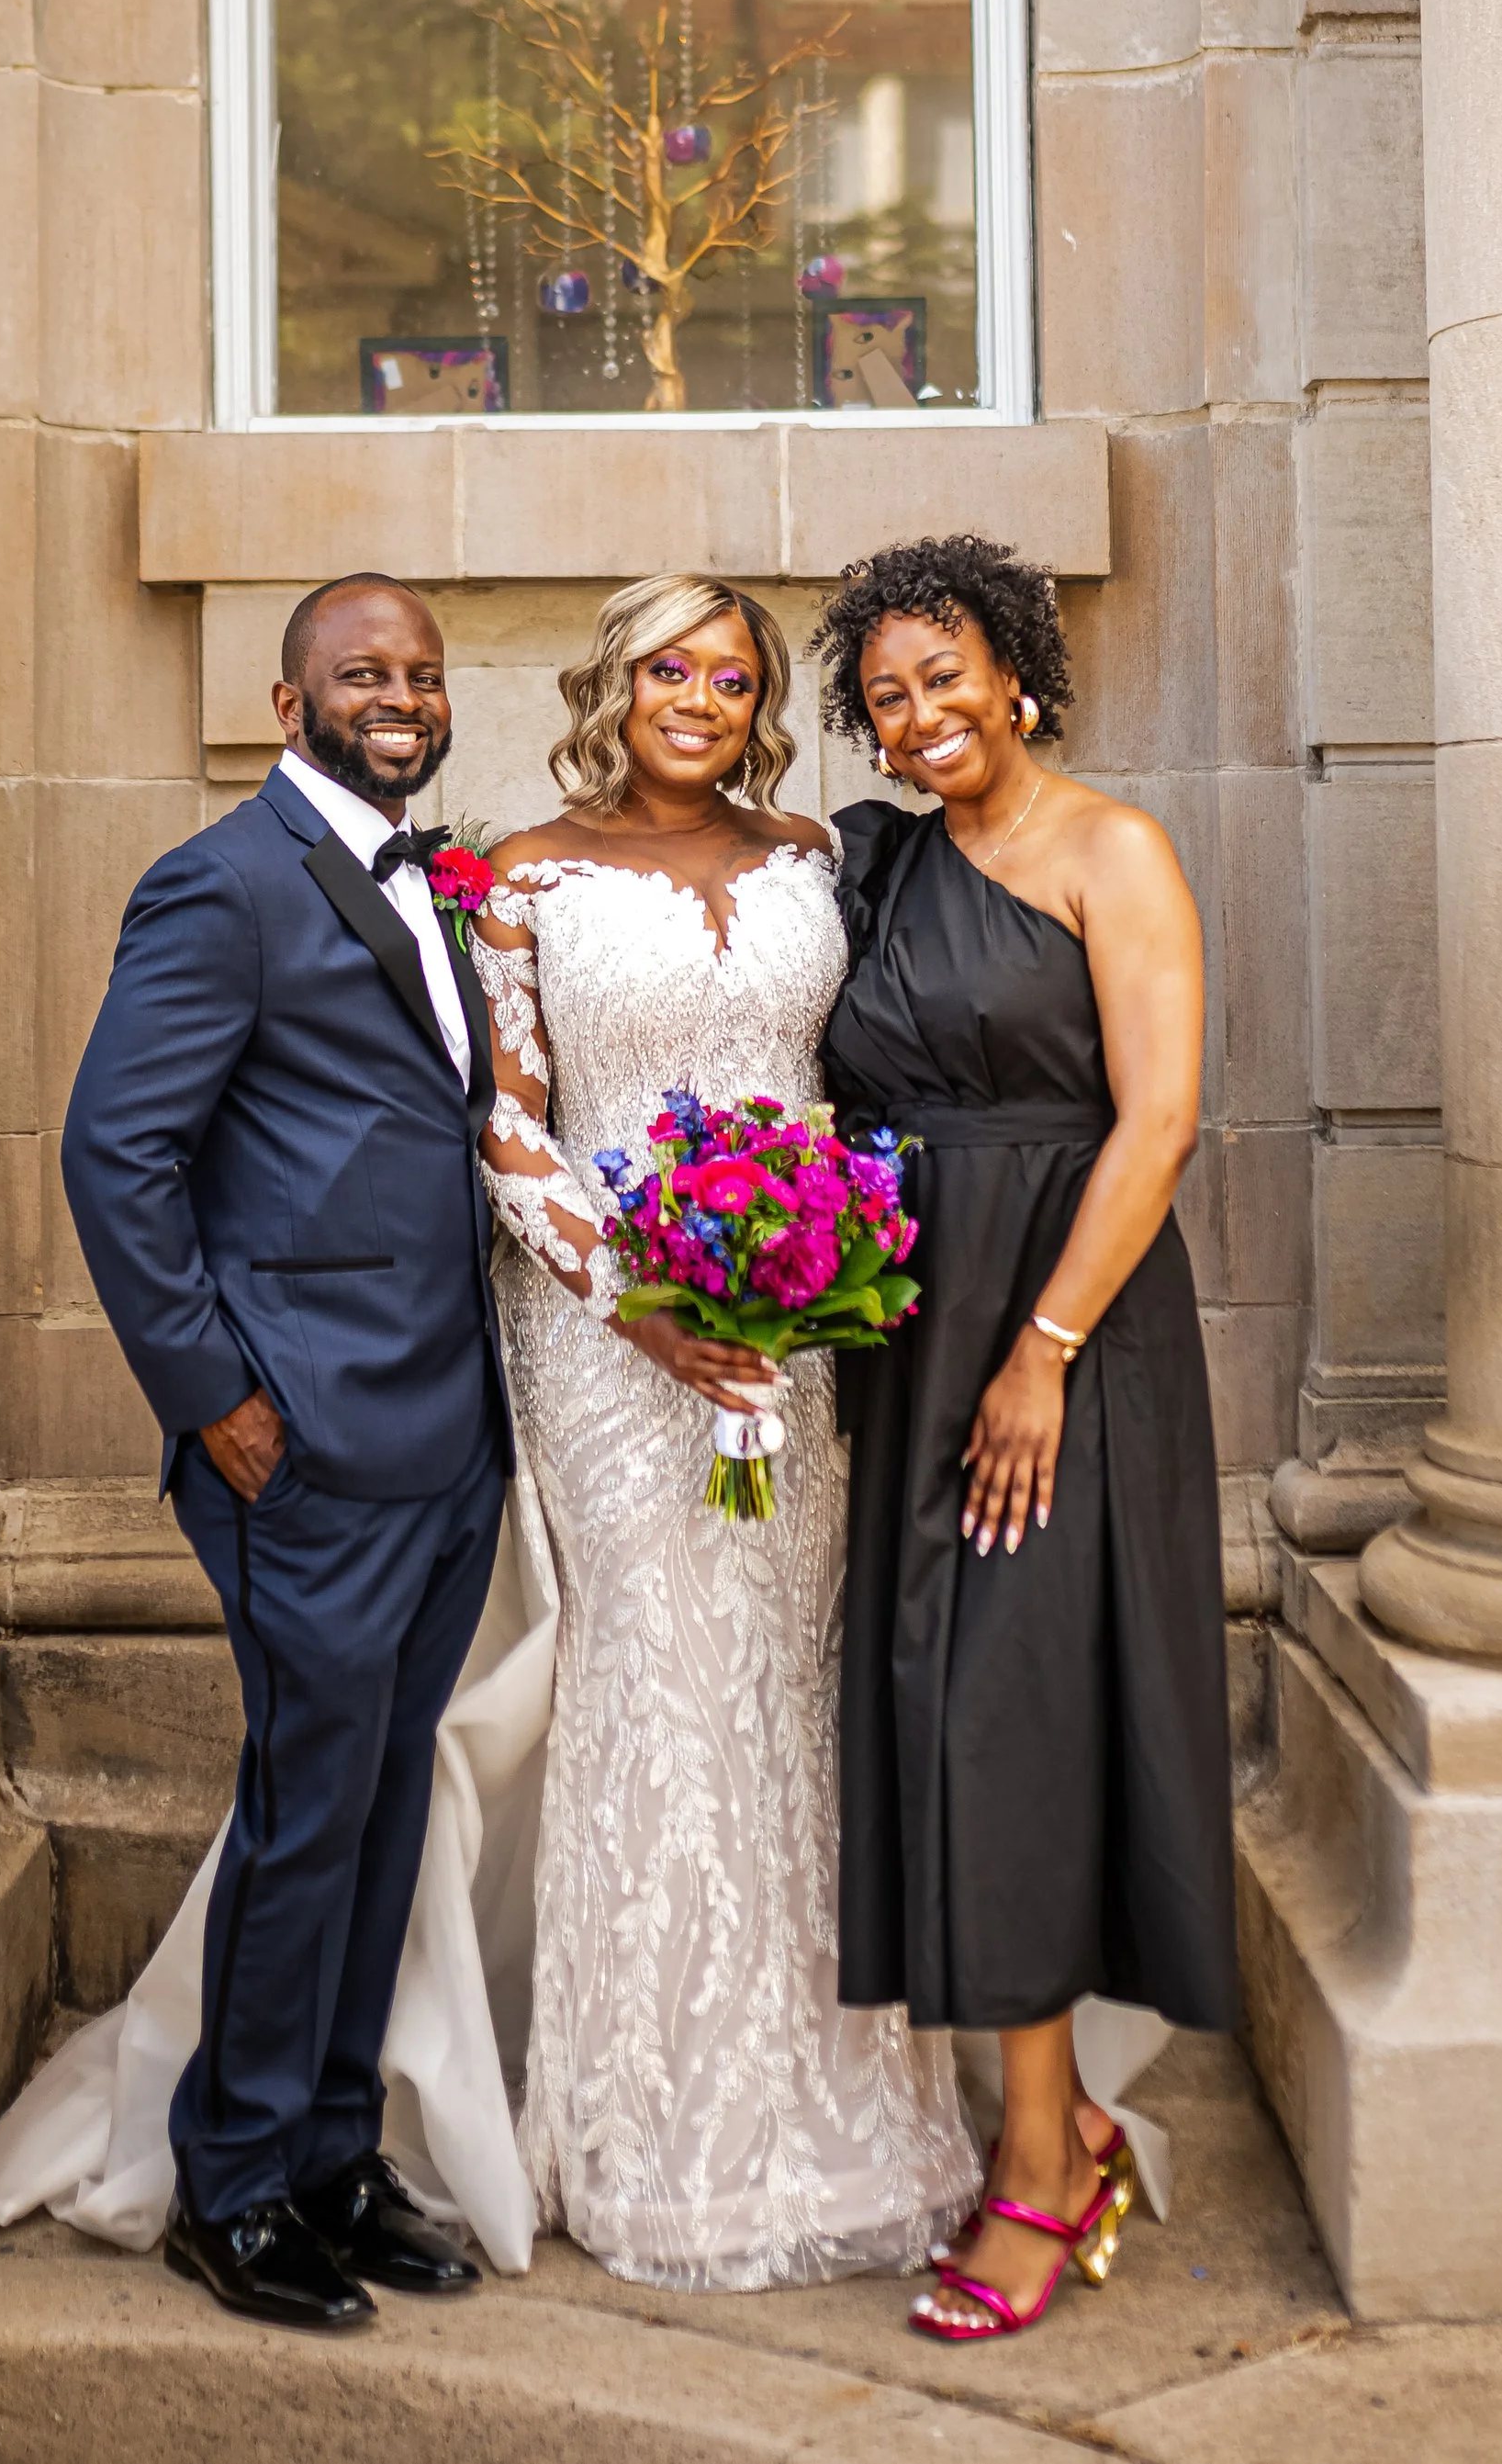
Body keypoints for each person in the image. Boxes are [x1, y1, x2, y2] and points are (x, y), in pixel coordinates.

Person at [467, 571, 979, 2287]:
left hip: (802, 1332)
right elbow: (510, 1128)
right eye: (668, 666)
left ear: (764, 700)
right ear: (617, 682)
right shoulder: (518, 875)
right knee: (662, 1675)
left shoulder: (821, 858)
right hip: (613, 1340)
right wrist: (643, 1302)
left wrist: (836, 1265)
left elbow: (859, 1081)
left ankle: (836, 2112)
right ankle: (646, 2131)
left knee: (789, 1680)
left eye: (732, 671)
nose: (699, 692)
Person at [52, 572, 509, 2330]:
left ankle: (329, 2151)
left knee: (383, 1815)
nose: (397, 694)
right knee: (306, 1813)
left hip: (448, 1438)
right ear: (287, 696)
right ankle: (228, 2184)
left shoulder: (437, 882)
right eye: (359, 670)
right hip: (298, 1447)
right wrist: (214, 1400)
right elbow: (118, 1158)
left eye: (421, 672)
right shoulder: (222, 885)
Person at [813, 534, 1240, 2343]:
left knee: (1011, 1717)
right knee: (935, 1696)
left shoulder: (1110, 848)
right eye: (885, 694)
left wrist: (1041, 1350)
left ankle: (1039, 2166)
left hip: (1065, 1324)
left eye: (945, 674)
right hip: (910, 1327)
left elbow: (1156, 1124)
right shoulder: (874, 863)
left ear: (1017, 667)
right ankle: (1048, 2130)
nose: (920, 716)